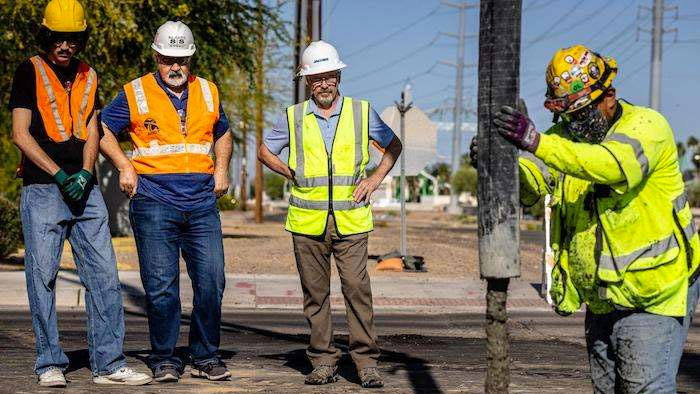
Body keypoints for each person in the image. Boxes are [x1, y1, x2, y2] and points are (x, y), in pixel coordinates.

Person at [471, 44, 700, 393]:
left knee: (644, 389)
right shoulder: (566, 137)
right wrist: (500, 163)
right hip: (603, 295)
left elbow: (610, 165)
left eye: (582, 113)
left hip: (653, 293)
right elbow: (534, 184)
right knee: (607, 389)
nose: (577, 123)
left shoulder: (647, 127)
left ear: (609, 95)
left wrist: (536, 141)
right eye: (570, 115)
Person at [9, 0, 152, 387]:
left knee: (105, 276)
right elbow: (19, 134)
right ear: (46, 37)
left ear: (80, 40)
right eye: (58, 37)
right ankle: (49, 363)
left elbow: (93, 127)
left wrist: (87, 172)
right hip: (42, 189)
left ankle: (108, 363)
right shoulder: (30, 71)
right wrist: (58, 174)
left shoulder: (90, 75)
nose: (65, 45)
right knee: (43, 277)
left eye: (72, 38)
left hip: (85, 191)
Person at [258, 40, 402, 388]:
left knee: (356, 288)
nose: (323, 84)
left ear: (338, 75)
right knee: (315, 294)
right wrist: (290, 172)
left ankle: (365, 362)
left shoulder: (360, 111)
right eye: (315, 78)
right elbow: (264, 151)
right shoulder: (293, 116)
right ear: (307, 82)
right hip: (307, 222)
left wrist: (374, 179)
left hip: (351, 219)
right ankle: (323, 360)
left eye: (328, 76)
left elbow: (393, 145)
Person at [99, 20, 233, 383]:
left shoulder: (208, 91)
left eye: (182, 60)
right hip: (154, 201)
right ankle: (164, 358)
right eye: (168, 59)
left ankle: (206, 355)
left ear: (191, 59)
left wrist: (221, 169)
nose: (175, 67)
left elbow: (223, 134)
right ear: (156, 56)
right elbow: (102, 129)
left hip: (203, 201)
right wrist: (125, 165)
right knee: (161, 287)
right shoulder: (135, 92)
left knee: (212, 281)